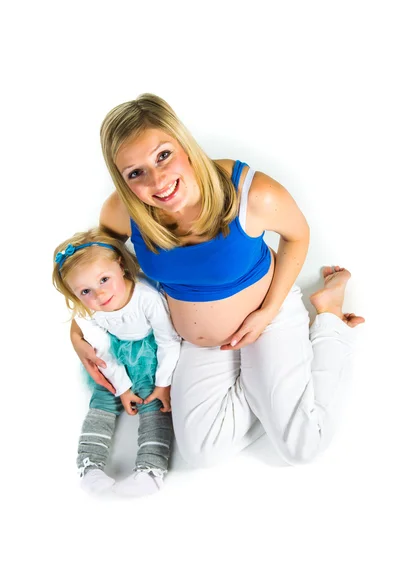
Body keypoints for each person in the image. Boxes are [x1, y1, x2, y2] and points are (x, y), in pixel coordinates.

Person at [71, 93, 365, 469]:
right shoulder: (120, 212)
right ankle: (270, 390)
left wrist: (268, 311)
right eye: (135, 173)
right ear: (122, 179)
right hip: (198, 342)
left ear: (184, 144)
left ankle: (329, 318)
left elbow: (298, 235)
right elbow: (97, 273)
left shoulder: (251, 193)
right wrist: (78, 335)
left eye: (163, 155)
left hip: (266, 316)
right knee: (200, 453)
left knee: (301, 447)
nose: (158, 181)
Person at [53, 227, 181, 495]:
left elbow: (168, 340)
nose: (98, 295)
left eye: (103, 280)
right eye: (85, 291)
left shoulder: (146, 299)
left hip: (152, 352)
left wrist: (164, 383)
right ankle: (90, 466)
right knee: (103, 395)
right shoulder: (88, 312)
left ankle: (150, 469)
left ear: (121, 266)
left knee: (152, 400)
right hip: (116, 353)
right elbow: (103, 351)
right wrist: (122, 387)